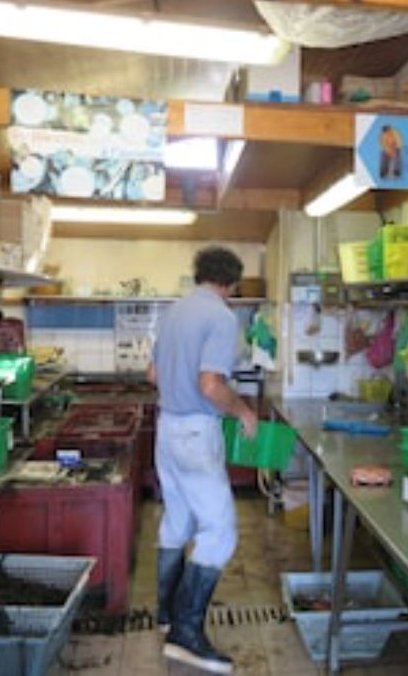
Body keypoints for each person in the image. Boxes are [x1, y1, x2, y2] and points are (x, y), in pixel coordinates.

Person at [146, 246, 258, 675]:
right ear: (230, 283)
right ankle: (187, 635)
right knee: (221, 532)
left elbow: (152, 375)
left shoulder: (175, 311)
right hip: (195, 431)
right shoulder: (222, 316)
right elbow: (211, 384)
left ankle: (167, 616)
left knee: (178, 519)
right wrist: (243, 410)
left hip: (167, 427)